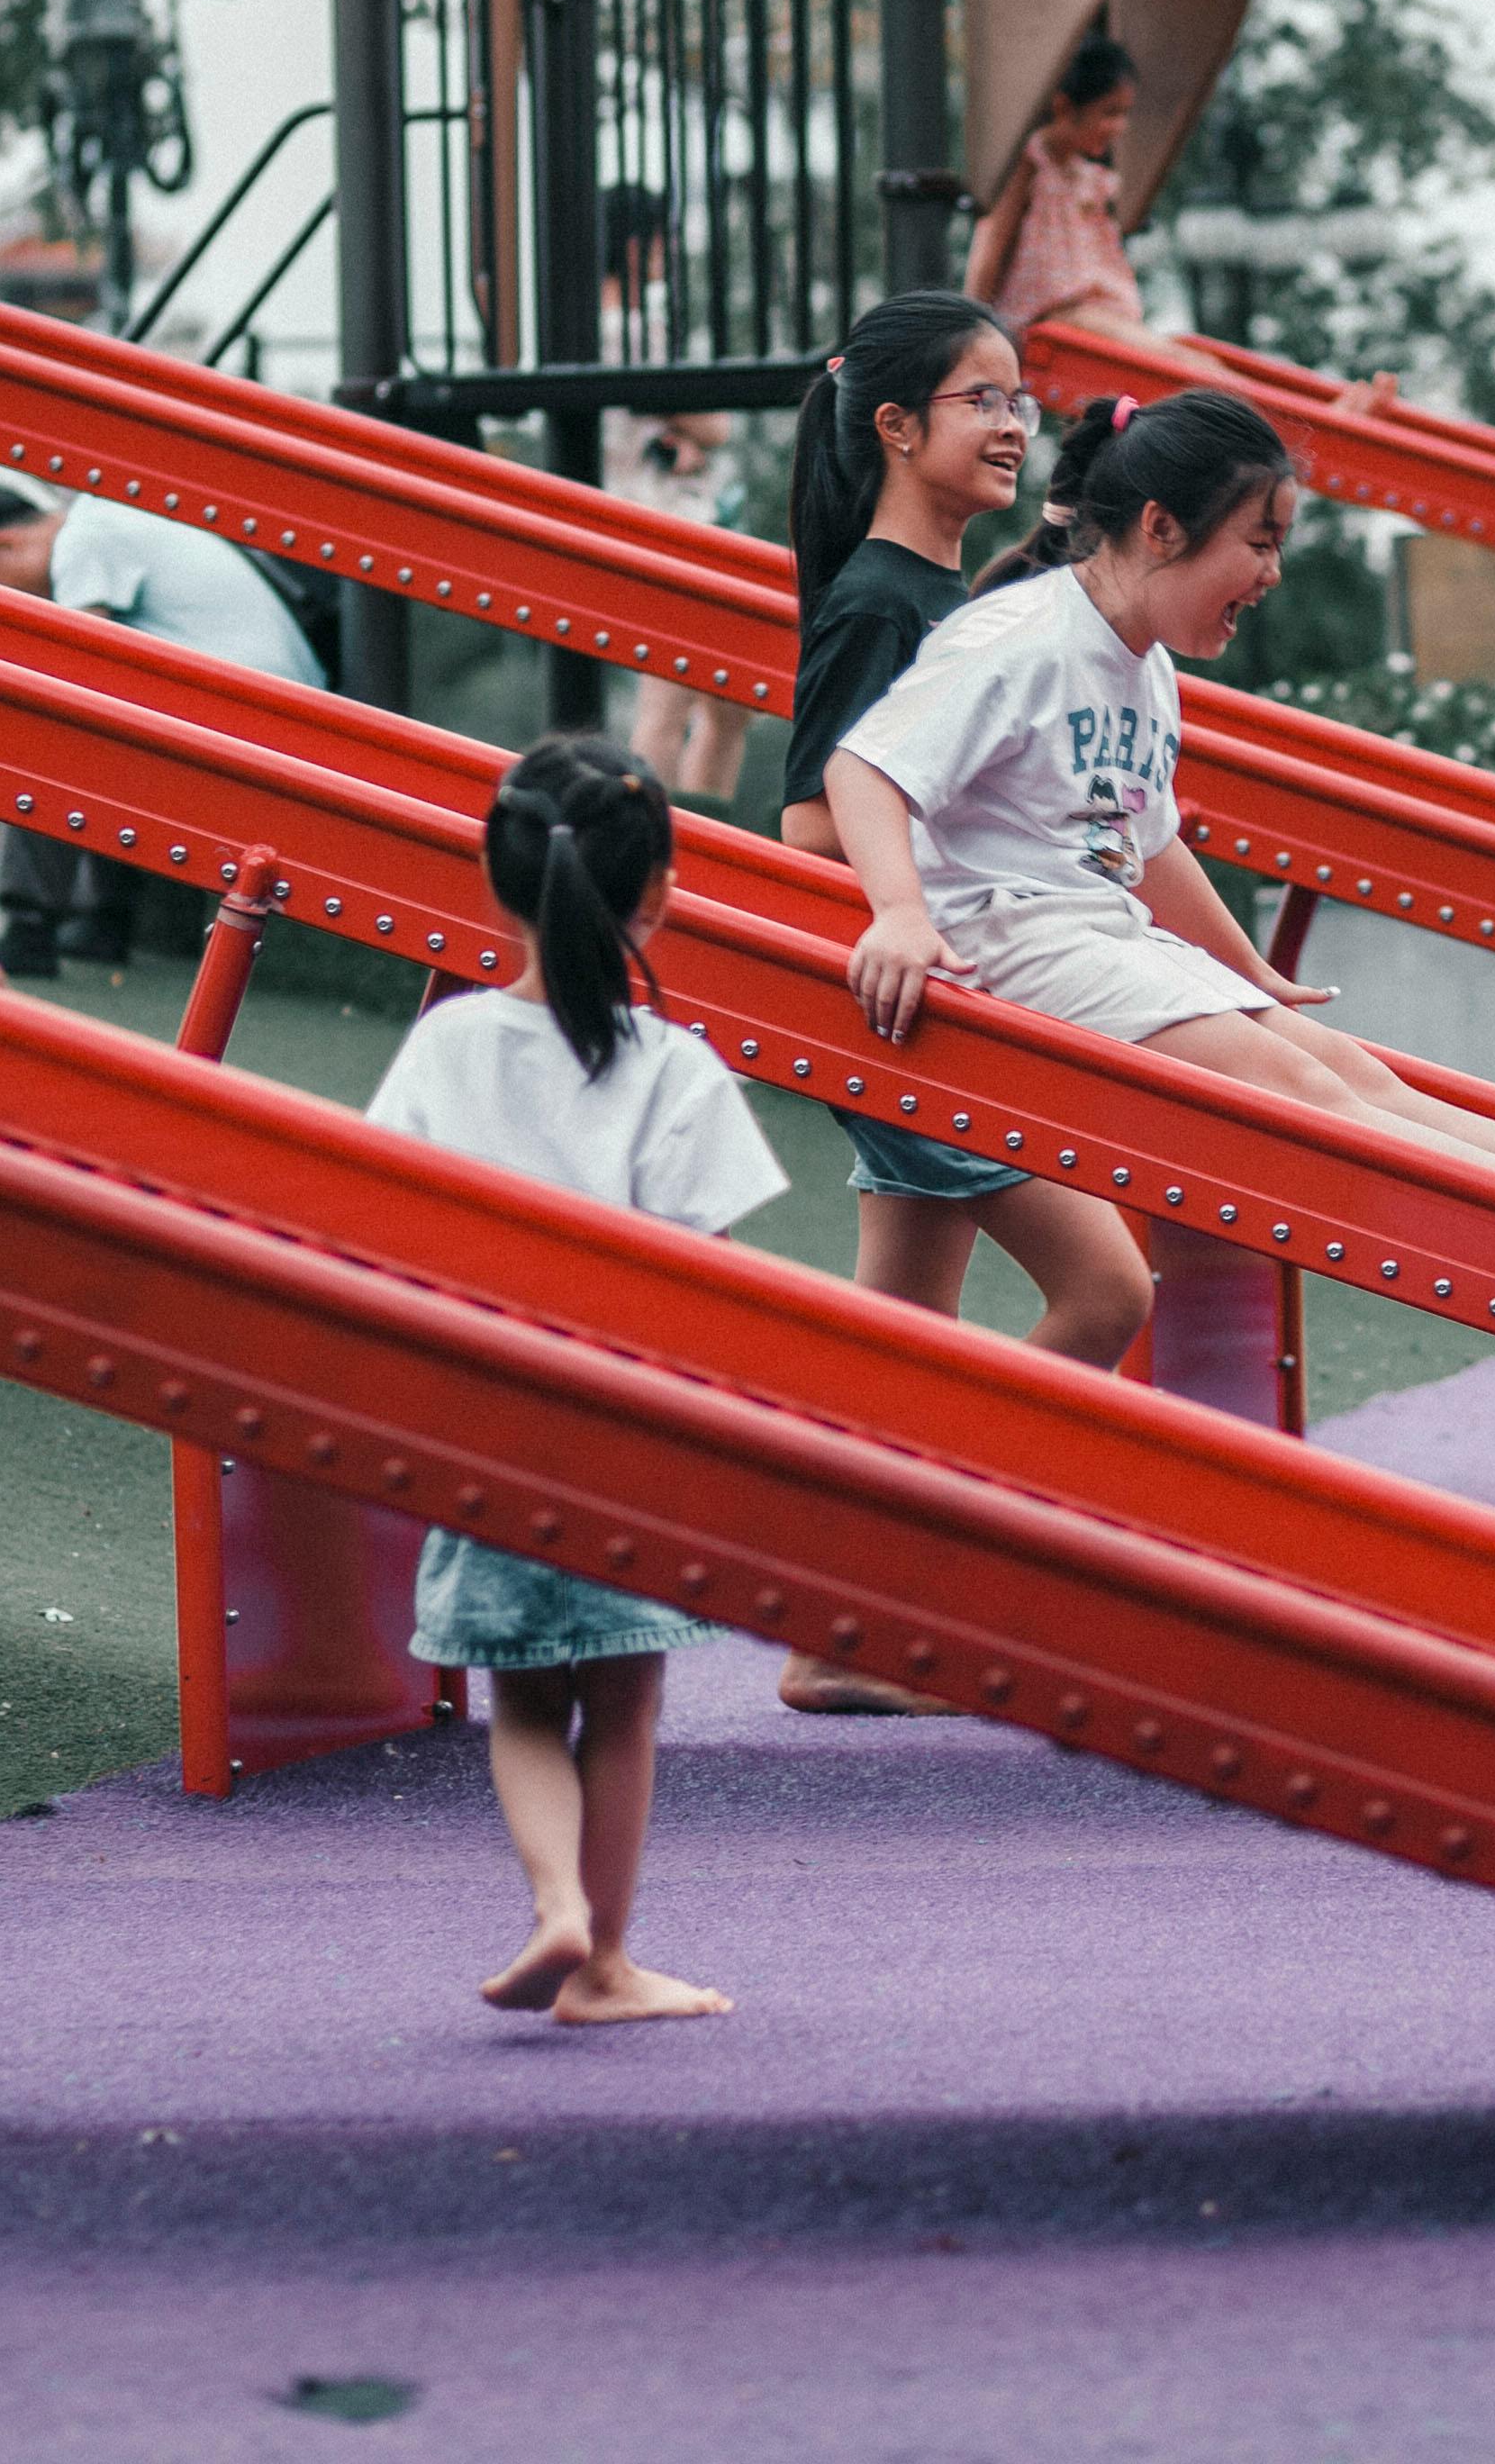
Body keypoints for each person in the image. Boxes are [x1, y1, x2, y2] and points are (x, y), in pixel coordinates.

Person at [824, 387, 1495, 1259]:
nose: (1272, 575)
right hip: (1013, 935)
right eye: (1257, 544)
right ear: (1163, 528)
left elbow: (1150, 840)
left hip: (1091, 933)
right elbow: (865, 766)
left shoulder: (1143, 664)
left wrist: (1243, 969)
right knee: (1309, 1099)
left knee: (1353, 1074)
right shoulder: (1026, 636)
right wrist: (900, 914)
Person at [771, 294, 1161, 1713]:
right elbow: (815, 820)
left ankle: (842, 1626)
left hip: (929, 1005)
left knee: (902, 1343)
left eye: (1019, 401)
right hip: (920, 1006)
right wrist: (907, 906)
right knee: (1107, 1287)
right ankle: (930, 1598)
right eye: (981, 400)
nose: (1013, 426)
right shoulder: (883, 602)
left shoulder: (954, 599)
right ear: (894, 426)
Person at [368, 735, 761, 2025]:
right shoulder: (674, 1067)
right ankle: (604, 1966)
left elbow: (387, 1224)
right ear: (657, 896)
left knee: (524, 1701)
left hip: (490, 1430)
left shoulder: (448, 1048)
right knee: (625, 1708)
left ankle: (554, 1906)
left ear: (499, 888)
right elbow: (711, 1282)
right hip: (628, 1438)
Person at [0, 483, 324, 974]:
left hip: (258, 727)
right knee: (105, 710)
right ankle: (104, 920)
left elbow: (79, 666)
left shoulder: (85, 535)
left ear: (5, 544)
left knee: (55, 713)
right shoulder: (118, 518)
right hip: (278, 718)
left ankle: (28, 925)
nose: (15, 599)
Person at [603, 186, 752, 811]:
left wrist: (676, 435)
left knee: (723, 697)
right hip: (668, 523)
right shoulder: (631, 332)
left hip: (655, 510)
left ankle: (691, 826)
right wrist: (690, 433)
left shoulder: (589, 329)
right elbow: (715, 424)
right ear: (636, 247)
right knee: (678, 695)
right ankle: (665, 830)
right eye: (662, 238)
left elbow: (673, 430)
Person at [963, 32, 1153, 347]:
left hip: (1101, 319)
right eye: (1110, 112)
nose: (1121, 127)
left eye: (1124, 113)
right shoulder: (1031, 165)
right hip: (1057, 324)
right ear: (1064, 107)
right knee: (1174, 363)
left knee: (1186, 355)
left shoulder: (1087, 178)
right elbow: (992, 242)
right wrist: (972, 332)